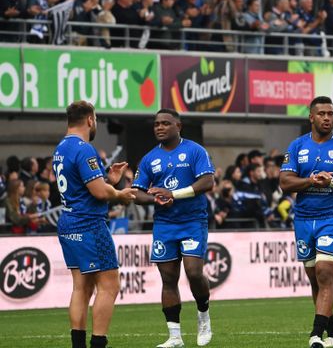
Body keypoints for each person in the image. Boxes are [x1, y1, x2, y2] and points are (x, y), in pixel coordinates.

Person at [279, 96, 333, 348]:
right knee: (314, 278)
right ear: (311, 117)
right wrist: (310, 180)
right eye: (322, 114)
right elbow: (285, 182)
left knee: (325, 272)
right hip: (304, 218)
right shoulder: (296, 146)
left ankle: (316, 335)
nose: (327, 118)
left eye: (330, 113)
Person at [52, 100, 136, 348]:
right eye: (96, 119)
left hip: (68, 222)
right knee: (109, 285)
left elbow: (88, 186)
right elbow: (99, 193)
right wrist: (119, 193)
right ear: (90, 119)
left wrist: (108, 179)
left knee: (81, 287)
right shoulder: (84, 148)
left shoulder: (61, 148)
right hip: (88, 224)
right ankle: (98, 344)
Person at [131, 108, 215, 348]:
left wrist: (173, 195)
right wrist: (153, 199)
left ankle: (203, 315)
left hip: (192, 221)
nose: (159, 127)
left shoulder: (195, 151)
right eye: (156, 124)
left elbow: (207, 181)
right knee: (168, 279)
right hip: (165, 224)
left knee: (194, 272)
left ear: (178, 126)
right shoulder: (148, 159)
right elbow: (137, 192)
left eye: (166, 123)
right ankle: (175, 336)